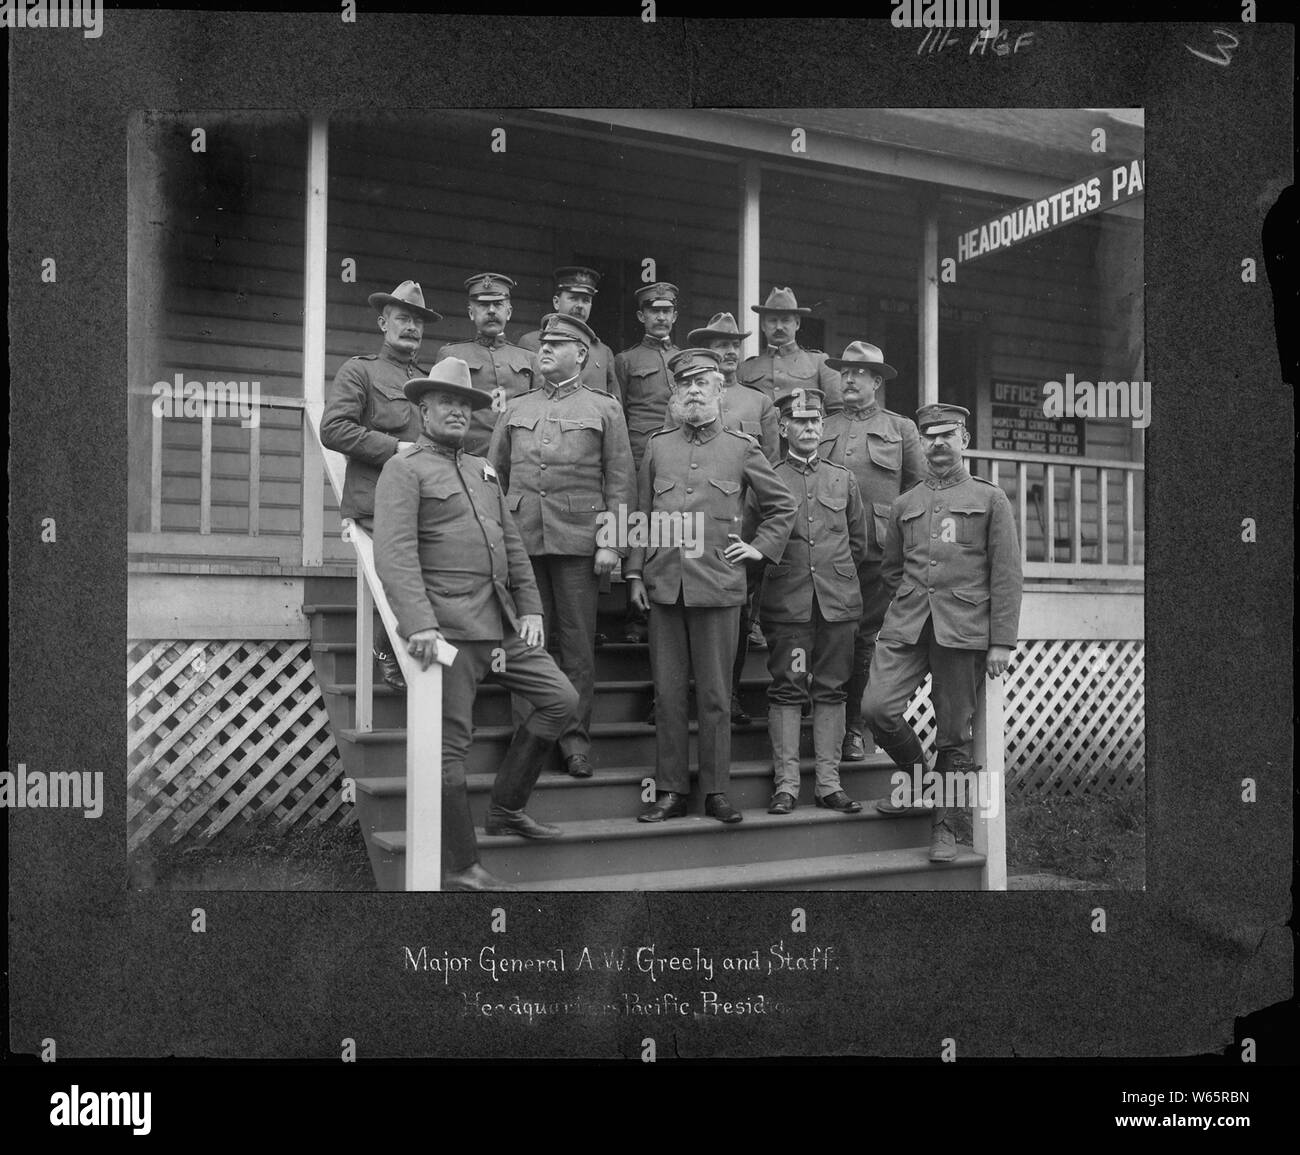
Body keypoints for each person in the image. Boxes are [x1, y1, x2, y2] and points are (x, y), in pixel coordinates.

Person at [373, 358, 581, 891]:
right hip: (448, 630)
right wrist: (418, 624)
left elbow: (511, 544)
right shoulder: (405, 468)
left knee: (561, 698)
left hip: (501, 624)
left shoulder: (482, 470)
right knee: (449, 750)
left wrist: (531, 607)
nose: (458, 412)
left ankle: (507, 808)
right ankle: (463, 865)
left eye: (466, 405)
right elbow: (394, 555)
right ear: (423, 409)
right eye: (447, 403)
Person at [625, 350, 796, 824]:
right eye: (686, 385)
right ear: (675, 395)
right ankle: (670, 791)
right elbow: (639, 517)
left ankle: (717, 791)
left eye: (704, 383)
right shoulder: (658, 447)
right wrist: (635, 573)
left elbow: (783, 506)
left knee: (717, 697)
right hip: (664, 587)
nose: (694, 391)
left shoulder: (742, 448)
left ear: (721, 392)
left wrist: (760, 549)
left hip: (719, 587)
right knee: (669, 694)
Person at [862, 403, 1022, 862]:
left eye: (946, 434)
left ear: (964, 440)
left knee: (954, 734)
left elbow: (1007, 575)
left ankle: (946, 827)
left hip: (964, 630)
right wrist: (915, 602)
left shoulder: (991, 499)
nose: (937, 443)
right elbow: (892, 571)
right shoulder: (904, 504)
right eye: (929, 435)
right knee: (877, 708)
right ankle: (918, 781)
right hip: (908, 626)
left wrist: (1000, 642)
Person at [488, 313, 635, 780]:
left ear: (582, 355)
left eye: (558, 343)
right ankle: (527, 743)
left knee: (576, 648)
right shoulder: (515, 407)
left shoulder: (605, 408)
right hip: (523, 542)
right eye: (543, 342)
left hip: (578, 544)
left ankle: (574, 744)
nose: (545, 349)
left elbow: (620, 482)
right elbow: (495, 478)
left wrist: (611, 544)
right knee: (527, 644)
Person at [320, 279, 442, 692]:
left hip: (423, 504)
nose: (411, 327)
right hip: (375, 503)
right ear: (382, 323)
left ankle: (422, 660)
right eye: (402, 318)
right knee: (398, 575)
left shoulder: (427, 382)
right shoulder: (362, 370)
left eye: (417, 321)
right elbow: (333, 429)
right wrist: (396, 448)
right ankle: (389, 650)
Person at [753, 388, 870, 816]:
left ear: (823, 427)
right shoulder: (767, 476)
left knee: (832, 688)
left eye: (815, 421)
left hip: (837, 606)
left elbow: (857, 544)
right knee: (788, 688)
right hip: (789, 604)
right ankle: (786, 786)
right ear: (783, 427)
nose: (808, 428)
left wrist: (833, 579)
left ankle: (828, 783)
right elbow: (755, 538)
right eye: (799, 421)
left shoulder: (843, 478)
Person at [818, 341, 926, 760]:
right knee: (829, 636)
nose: (847, 379)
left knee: (864, 640)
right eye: (843, 372)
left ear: (877, 382)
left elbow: (916, 492)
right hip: (828, 548)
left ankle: (855, 729)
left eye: (858, 373)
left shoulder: (900, 429)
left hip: (877, 552)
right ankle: (825, 730)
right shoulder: (823, 426)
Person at [684, 312, 781, 716]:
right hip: (691, 525)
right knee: (683, 611)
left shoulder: (759, 402)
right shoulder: (687, 396)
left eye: (733, 344)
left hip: (738, 529)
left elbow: (771, 471)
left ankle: (731, 693)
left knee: (736, 619)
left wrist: (757, 536)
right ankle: (674, 696)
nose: (727, 351)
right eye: (719, 344)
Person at [615, 281, 681, 643]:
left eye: (666, 310)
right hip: (640, 453)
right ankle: (634, 613)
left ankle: (669, 604)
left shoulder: (685, 359)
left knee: (675, 527)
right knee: (639, 525)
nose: (660, 317)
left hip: (679, 455)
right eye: (653, 310)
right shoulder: (626, 360)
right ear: (642, 315)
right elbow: (618, 411)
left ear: (674, 315)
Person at [434, 272, 534, 456]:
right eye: (483, 305)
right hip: (466, 458)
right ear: (471, 313)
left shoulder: (529, 359)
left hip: (517, 459)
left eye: (498, 304)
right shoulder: (451, 354)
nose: (491, 311)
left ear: (509, 312)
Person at [517, 266, 620, 399]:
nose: (580, 305)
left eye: (586, 300)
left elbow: (615, 406)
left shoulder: (603, 352)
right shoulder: (531, 343)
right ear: (556, 302)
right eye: (573, 298)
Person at [739, 286, 843, 414]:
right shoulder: (745, 368)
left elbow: (837, 412)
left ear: (797, 324)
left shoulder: (820, 362)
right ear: (763, 325)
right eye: (772, 320)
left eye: (785, 320)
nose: (779, 327)